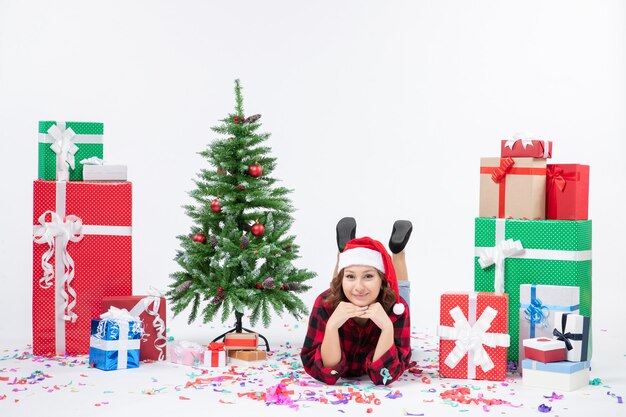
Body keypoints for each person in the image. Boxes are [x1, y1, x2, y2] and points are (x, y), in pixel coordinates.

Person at [300, 218, 413, 385]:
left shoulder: (397, 308)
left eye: (368, 276)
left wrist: (387, 327)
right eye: (351, 276)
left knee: (401, 289)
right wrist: (331, 327)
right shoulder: (324, 304)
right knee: (336, 291)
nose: (359, 287)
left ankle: (398, 251)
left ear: (382, 281)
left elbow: (385, 376)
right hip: (338, 295)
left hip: (386, 300)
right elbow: (326, 372)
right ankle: (343, 252)